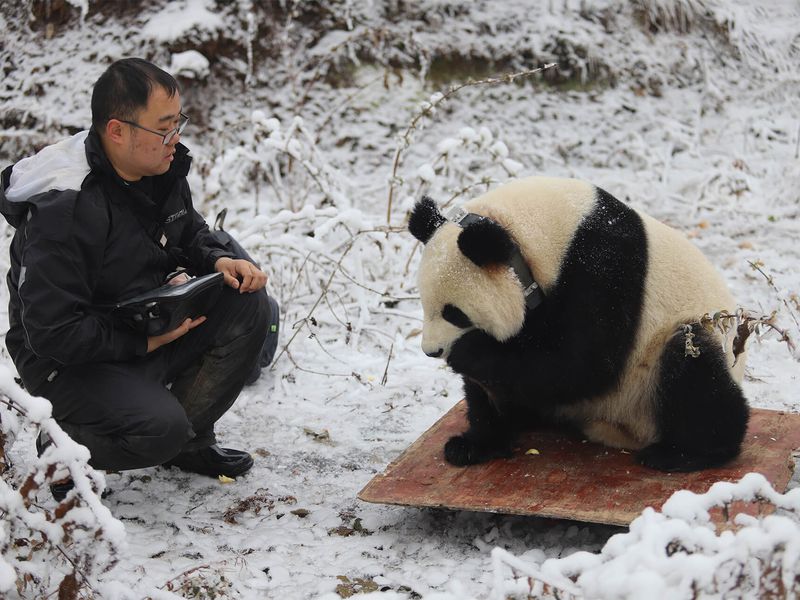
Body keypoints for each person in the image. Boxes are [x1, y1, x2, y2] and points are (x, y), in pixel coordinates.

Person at [0, 58, 271, 500]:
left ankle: (190, 441)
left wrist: (219, 260)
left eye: (178, 122)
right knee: (157, 430)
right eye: (164, 128)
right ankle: (65, 446)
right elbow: (52, 332)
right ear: (118, 130)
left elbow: (187, 229)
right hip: (66, 362)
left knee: (247, 303)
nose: (175, 138)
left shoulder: (157, 169)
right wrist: (146, 344)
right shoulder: (66, 207)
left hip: (142, 317)